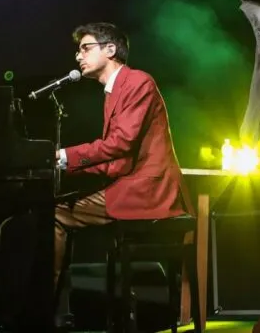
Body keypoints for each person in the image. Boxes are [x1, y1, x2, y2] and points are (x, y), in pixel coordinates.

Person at [53, 22, 193, 329]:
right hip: (130, 182)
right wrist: (67, 168)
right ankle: (62, 311)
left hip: (149, 189)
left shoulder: (138, 82)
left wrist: (64, 157)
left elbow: (119, 144)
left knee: (56, 216)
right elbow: (116, 160)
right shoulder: (115, 90)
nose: (78, 56)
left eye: (85, 48)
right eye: (78, 50)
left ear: (111, 49)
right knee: (58, 208)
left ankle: (49, 311)